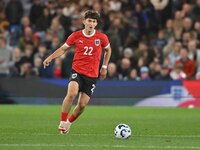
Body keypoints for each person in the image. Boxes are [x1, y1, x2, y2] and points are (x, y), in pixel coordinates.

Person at [43, 10, 112, 134]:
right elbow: (63, 49)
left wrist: (104, 67)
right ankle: (62, 121)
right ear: (84, 21)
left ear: (96, 24)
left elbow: (108, 50)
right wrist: (50, 57)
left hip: (91, 75)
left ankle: (68, 123)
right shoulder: (76, 35)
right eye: (89, 21)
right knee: (72, 93)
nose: (91, 23)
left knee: (82, 105)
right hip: (77, 71)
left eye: (94, 21)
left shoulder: (102, 37)